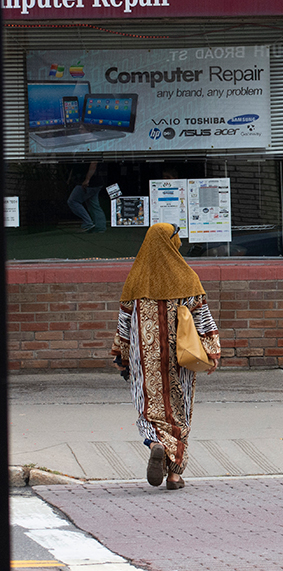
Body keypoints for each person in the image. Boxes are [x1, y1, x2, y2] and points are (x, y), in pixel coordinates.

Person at [110, 223, 221, 490]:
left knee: (148, 407)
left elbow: (124, 324)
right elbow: (202, 317)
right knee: (179, 409)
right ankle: (174, 474)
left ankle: (156, 443)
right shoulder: (187, 277)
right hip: (180, 357)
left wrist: (122, 357)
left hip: (143, 358)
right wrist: (212, 351)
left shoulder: (135, 279)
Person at [67, 160, 107, 233]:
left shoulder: (88, 151)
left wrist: (87, 179)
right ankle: (100, 227)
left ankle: (88, 223)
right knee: (93, 204)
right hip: (95, 182)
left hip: (88, 182)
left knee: (73, 201)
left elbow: (93, 163)